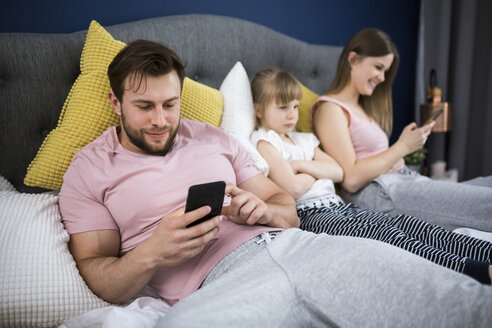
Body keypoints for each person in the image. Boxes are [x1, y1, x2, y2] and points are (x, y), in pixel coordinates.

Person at [58, 39, 492, 327]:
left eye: (170, 104)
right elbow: (98, 276)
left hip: (299, 247)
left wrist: (265, 209)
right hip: (221, 285)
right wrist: (151, 253)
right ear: (115, 101)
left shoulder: (215, 138)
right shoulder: (89, 170)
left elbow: (284, 205)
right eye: (144, 106)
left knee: (462, 306)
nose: (160, 120)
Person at [249, 67, 492, 285]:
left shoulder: (304, 140)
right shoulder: (263, 141)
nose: (292, 115)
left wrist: (300, 165)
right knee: (389, 237)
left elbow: (338, 172)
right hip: (312, 215)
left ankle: (486, 254)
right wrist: (316, 169)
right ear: (258, 109)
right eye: (283, 107)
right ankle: (474, 271)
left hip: (339, 206)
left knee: (408, 224)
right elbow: (291, 188)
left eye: (294, 106)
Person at [311, 28, 492, 233]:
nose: (382, 77)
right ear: (353, 59)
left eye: (385, 71)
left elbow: (376, 159)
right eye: (378, 67)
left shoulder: (362, 109)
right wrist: (402, 147)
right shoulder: (330, 109)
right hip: (379, 191)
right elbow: (351, 180)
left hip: (398, 181)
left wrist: (398, 156)